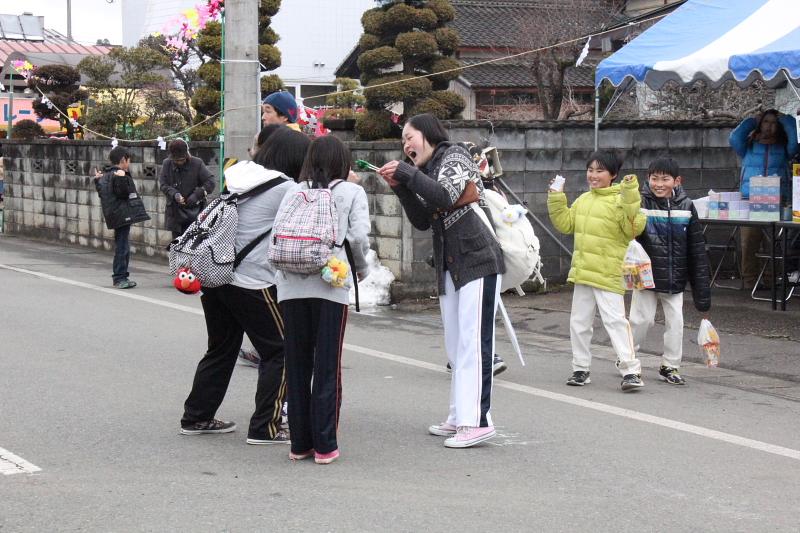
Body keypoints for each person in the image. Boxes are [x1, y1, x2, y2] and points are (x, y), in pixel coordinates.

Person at [378, 114, 505, 449]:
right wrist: (401, 188)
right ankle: (460, 415)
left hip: (478, 258)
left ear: (429, 134)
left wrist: (407, 174)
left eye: (410, 137)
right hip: (450, 263)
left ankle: (478, 421)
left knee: (473, 343)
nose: (406, 145)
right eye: (403, 141)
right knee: (455, 345)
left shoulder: (454, 154)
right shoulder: (424, 170)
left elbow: (447, 195)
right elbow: (422, 220)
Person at [179, 128, 311, 444]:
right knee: (281, 349)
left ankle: (197, 417)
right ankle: (266, 427)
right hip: (252, 282)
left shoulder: (240, 178)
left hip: (217, 275)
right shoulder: (286, 188)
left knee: (221, 348)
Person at [274, 135, 371, 464]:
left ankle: (300, 443)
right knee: (327, 366)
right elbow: (358, 238)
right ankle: (325, 445)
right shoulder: (351, 192)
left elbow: (276, 233)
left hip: (290, 285)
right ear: (343, 161)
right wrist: (362, 269)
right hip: (331, 283)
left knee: (297, 364)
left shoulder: (293, 191)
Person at [547, 151, 646, 391]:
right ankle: (580, 368)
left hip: (609, 273)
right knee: (579, 323)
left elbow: (633, 228)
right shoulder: (583, 200)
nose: (593, 175)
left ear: (613, 175)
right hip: (583, 273)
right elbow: (566, 224)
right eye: (590, 170)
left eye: (599, 171)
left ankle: (631, 370)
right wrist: (556, 197)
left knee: (616, 322)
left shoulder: (620, 201)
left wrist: (630, 195)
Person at [629, 157, 711, 385]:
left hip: (675, 278)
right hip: (644, 276)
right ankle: (627, 358)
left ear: (677, 181)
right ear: (648, 178)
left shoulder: (687, 206)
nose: (659, 184)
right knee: (641, 320)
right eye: (654, 178)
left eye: (665, 179)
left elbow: (696, 249)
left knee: (676, 323)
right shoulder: (639, 203)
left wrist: (703, 296)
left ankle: (670, 366)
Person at [729, 109, 799, 289]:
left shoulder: (784, 147)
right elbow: (734, 138)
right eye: (766, 122)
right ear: (760, 124)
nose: (769, 126)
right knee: (749, 242)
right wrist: (752, 121)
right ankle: (749, 280)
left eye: (774, 123)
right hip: (750, 199)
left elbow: (795, 144)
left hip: (777, 199)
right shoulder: (748, 145)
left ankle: (771, 279)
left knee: (772, 243)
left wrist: (787, 121)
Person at [93, 146, 150, 289]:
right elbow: (124, 193)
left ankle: (120, 276)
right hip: (122, 215)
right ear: (123, 160)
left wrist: (97, 180)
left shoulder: (105, 176)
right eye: (128, 160)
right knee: (123, 247)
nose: (129, 163)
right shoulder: (118, 175)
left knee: (122, 245)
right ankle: (120, 277)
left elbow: (102, 194)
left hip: (114, 214)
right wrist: (122, 178)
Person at [159, 139, 216, 239]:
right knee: (177, 244)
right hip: (175, 214)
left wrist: (197, 195)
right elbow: (163, 185)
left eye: (182, 159)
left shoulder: (197, 163)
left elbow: (210, 182)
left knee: (195, 244)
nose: (179, 162)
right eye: (176, 160)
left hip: (196, 212)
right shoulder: (167, 164)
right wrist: (175, 194)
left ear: (187, 154)